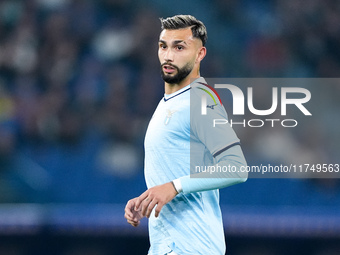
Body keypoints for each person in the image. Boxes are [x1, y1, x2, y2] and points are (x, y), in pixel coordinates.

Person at [124, 14, 247, 255]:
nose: (168, 55)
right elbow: (175, 170)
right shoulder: (170, 102)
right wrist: (150, 197)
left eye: (179, 47)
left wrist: (173, 186)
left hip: (192, 247)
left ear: (200, 54)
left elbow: (236, 167)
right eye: (163, 46)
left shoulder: (199, 100)